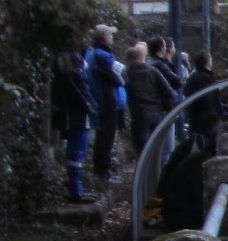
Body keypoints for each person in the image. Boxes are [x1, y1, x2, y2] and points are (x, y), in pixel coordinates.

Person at [50, 50, 99, 203]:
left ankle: (76, 188)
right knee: (77, 151)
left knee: (76, 151)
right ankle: (75, 191)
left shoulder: (63, 57)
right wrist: (90, 105)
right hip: (76, 114)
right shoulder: (71, 58)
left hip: (72, 113)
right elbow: (79, 87)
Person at [84, 24, 127, 179]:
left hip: (99, 99)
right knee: (106, 136)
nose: (112, 37)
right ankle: (103, 171)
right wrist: (122, 80)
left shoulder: (91, 52)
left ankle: (101, 169)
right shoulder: (103, 55)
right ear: (104, 37)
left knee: (103, 136)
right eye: (110, 35)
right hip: (106, 101)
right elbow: (120, 75)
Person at [124, 42, 175, 155]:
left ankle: (144, 171)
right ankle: (157, 171)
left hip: (139, 114)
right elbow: (168, 90)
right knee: (157, 149)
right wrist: (167, 108)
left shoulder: (126, 72)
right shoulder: (152, 71)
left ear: (127, 59)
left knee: (142, 151)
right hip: (157, 113)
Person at [183, 50, 223, 148]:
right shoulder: (208, 79)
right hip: (207, 122)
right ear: (207, 62)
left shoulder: (192, 77)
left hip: (193, 119)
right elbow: (213, 100)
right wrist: (219, 115)